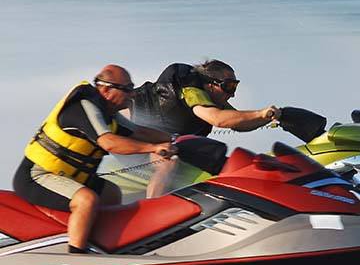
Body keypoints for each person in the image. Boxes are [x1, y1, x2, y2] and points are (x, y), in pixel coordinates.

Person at [13, 65, 176, 253]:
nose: (132, 95)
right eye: (127, 89)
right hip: (37, 176)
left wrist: (173, 139)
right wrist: (154, 148)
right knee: (86, 200)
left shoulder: (107, 113)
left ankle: (111, 247)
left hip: (69, 177)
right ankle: (76, 258)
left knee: (112, 193)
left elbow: (139, 132)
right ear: (106, 90)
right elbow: (109, 143)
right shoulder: (84, 107)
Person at [130, 60, 282, 197]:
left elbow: (238, 122)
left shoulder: (215, 99)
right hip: (136, 137)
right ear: (211, 84)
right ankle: (153, 213)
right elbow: (217, 119)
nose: (233, 94)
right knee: (168, 164)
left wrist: (269, 117)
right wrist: (261, 113)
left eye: (234, 87)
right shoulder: (192, 91)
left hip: (164, 139)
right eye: (229, 86)